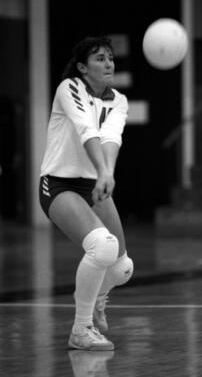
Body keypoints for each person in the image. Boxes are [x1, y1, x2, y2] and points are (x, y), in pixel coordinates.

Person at [39, 36, 134, 351]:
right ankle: (81, 330)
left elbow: (110, 137)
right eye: (99, 58)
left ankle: (96, 297)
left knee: (121, 267)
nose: (108, 63)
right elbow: (86, 130)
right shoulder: (69, 88)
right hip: (59, 183)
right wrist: (104, 173)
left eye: (110, 58)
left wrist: (106, 171)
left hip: (91, 183)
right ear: (82, 67)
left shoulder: (118, 100)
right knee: (102, 246)